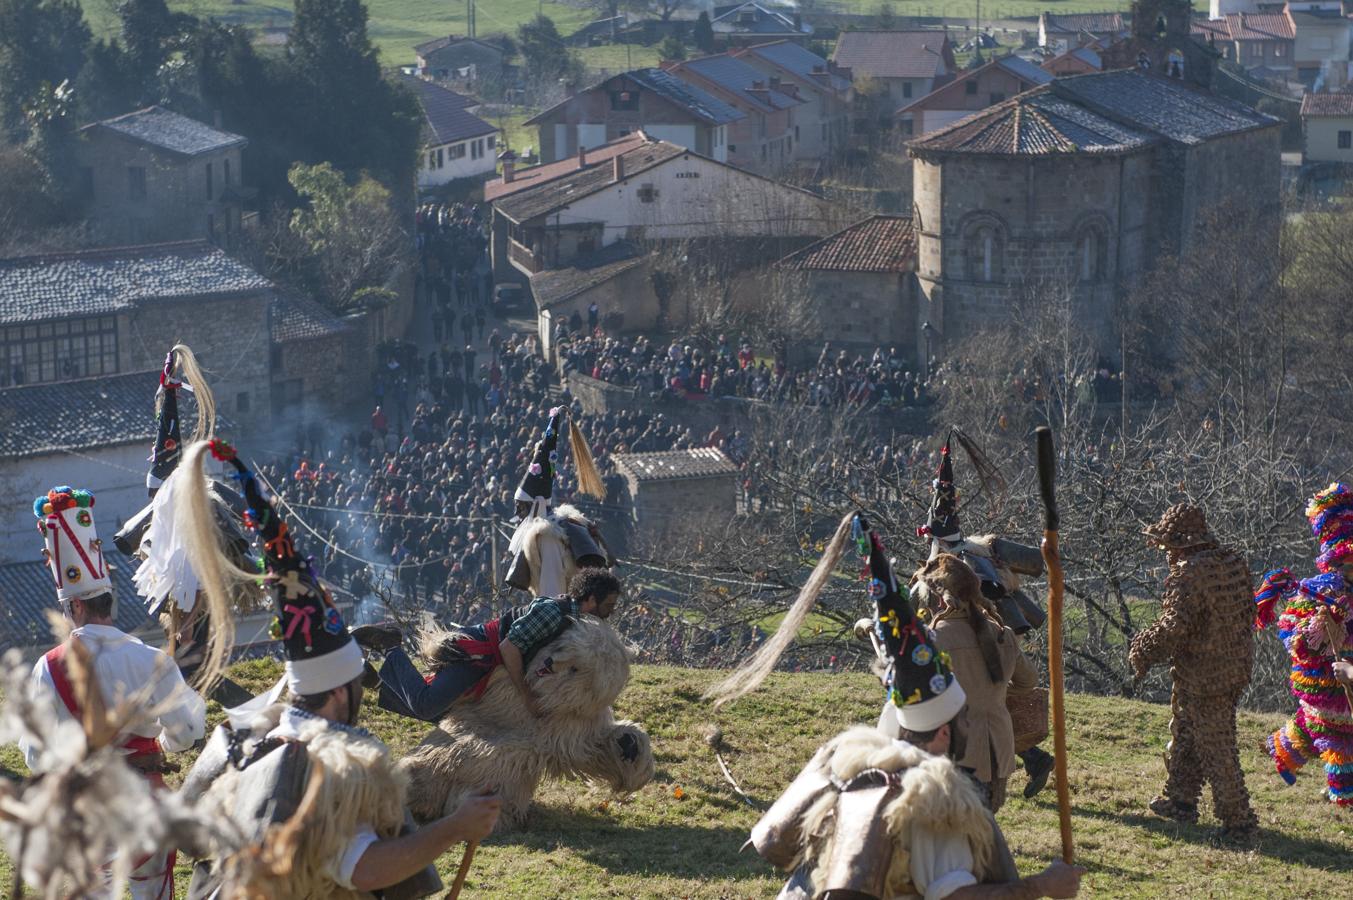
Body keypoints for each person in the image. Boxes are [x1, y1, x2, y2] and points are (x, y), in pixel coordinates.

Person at [177, 440, 500, 898]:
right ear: (338, 692)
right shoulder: (337, 764)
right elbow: (363, 869)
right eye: (357, 684)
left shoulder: (237, 740)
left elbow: (184, 834)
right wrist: (457, 825)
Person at [749, 516, 1084, 900]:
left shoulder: (844, 768)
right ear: (945, 732)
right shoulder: (934, 799)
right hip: (998, 753)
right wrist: (1042, 885)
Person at [24, 485, 206, 900]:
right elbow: (186, 731)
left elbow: (37, 756)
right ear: (109, 603)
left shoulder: (47, 666)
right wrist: (162, 742)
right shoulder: (151, 660)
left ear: (74, 608)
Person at [1129, 503, 1257, 840]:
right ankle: (1181, 800)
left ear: (1179, 543)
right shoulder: (1233, 562)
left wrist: (1142, 648)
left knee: (1217, 747)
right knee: (1188, 731)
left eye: (1168, 546)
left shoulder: (1189, 573)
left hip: (1206, 675)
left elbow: (1174, 627)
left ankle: (1238, 822)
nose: (1166, 554)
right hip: (1234, 668)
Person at [359, 568, 621, 722]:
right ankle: (390, 645)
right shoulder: (554, 613)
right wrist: (526, 695)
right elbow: (509, 647)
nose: (609, 613)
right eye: (607, 606)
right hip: (479, 654)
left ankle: (378, 682)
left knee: (446, 716)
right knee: (427, 705)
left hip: (490, 665)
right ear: (589, 599)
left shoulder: (573, 619)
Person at [1255, 483, 1353, 808]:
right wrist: (1317, 631)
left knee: (1319, 729)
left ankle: (1283, 749)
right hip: (1327, 689)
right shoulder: (1317, 592)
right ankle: (1344, 795)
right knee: (1331, 734)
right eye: (1347, 562)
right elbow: (1291, 632)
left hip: (1345, 685)